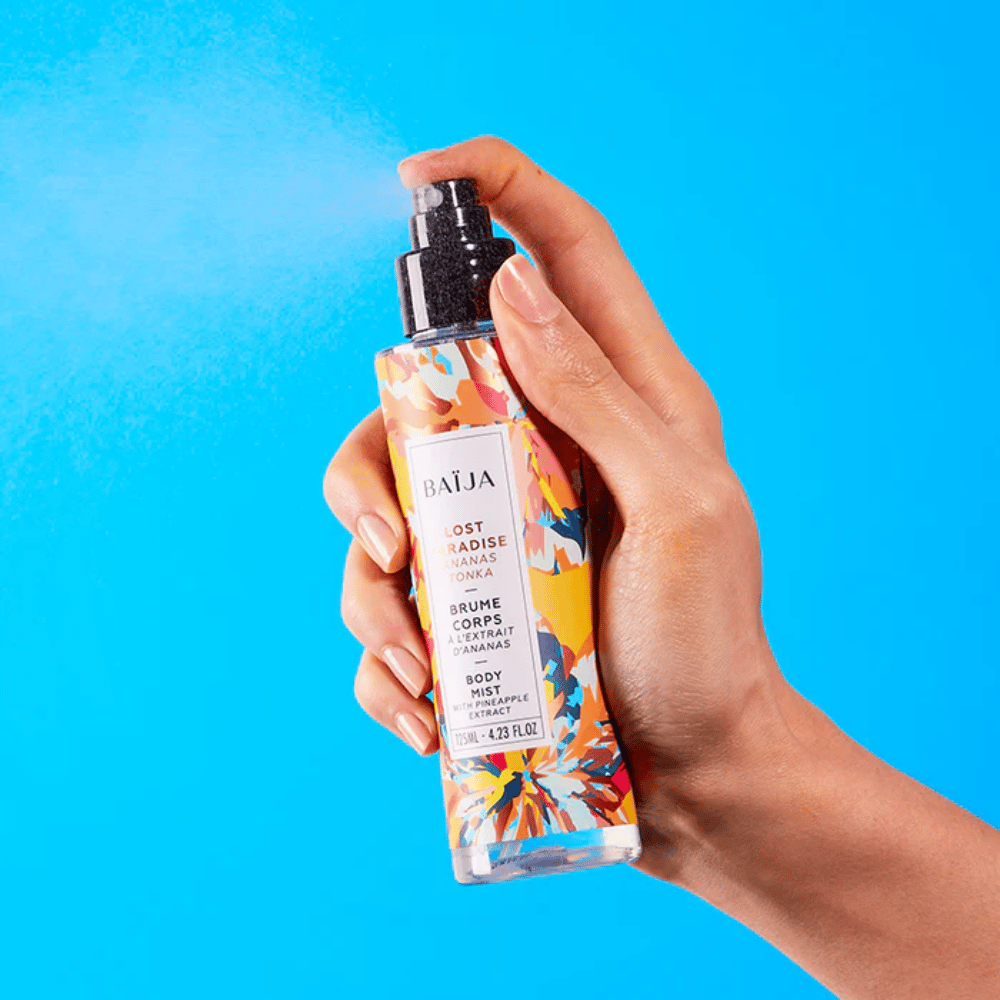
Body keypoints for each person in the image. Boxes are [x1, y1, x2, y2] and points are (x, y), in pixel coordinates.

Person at [323, 137, 1000, 999]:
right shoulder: (421, 377)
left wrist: (719, 766)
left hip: (578, 781)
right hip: (515, 791)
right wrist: (698, 783)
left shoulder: (506, 366)